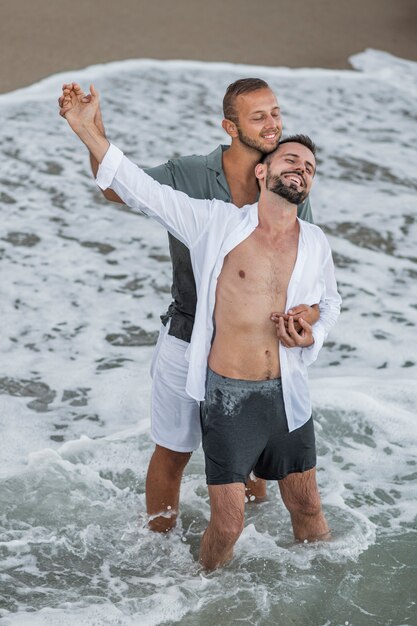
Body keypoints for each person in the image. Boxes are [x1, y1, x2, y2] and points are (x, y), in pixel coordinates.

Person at [60, 85, 341, 570]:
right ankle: (158, 549)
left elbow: (317, 292)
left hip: (269, 366)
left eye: (276, 113)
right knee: (176, 453)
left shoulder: (297, 202)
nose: (272, 125)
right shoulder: (204, 204)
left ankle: (282, 552)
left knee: (273, 481)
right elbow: (125, 186)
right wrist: (91, 129)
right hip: (195, 340)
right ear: (233, 131)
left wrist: (308, 325)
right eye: (259, 117)